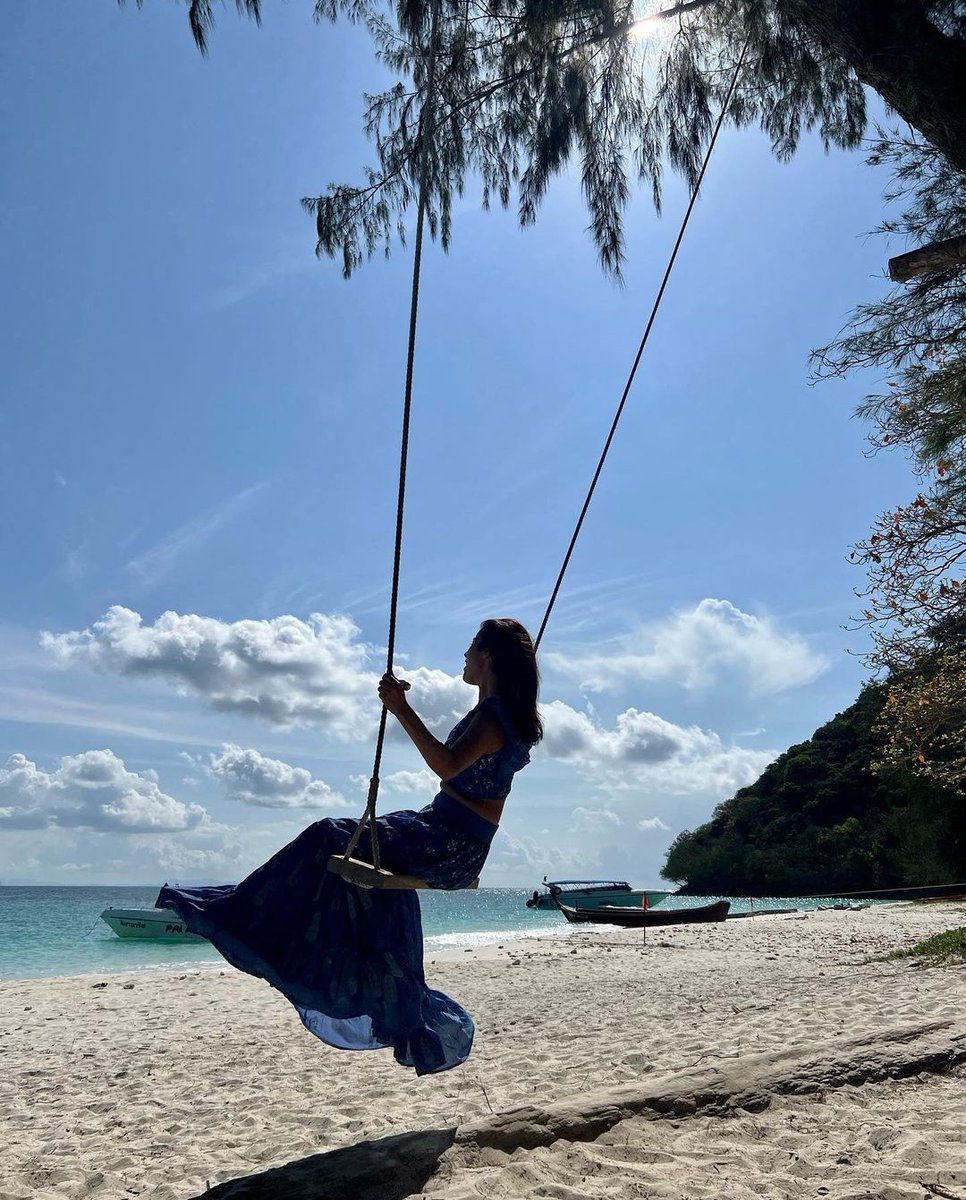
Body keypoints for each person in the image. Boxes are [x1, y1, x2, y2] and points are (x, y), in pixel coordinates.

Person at [156, 617, 542, 1076]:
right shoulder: (499, 715)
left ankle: (244, 914)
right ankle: (281, 930)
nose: (463, 655)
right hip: (443, 833)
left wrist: (401, 709)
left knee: (328, 836)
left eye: (470, 647)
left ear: (487, 656)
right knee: (351, 860)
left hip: (448, 842)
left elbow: (446, 765)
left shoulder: (494, 718)